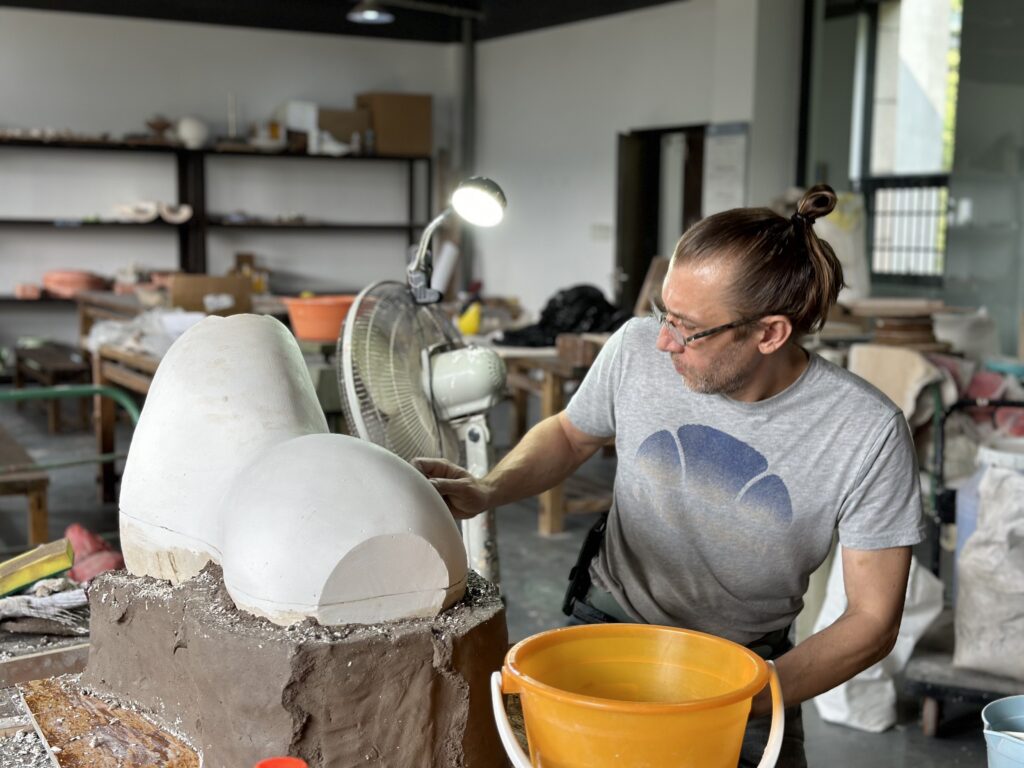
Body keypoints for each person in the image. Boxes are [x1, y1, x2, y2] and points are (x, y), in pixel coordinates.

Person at [413, 184, 923, 767]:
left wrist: (738, 701)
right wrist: (489, 488)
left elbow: (871, 620)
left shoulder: (866, 431)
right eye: (663, 313)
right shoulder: (635, 349)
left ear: (770, 333)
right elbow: (572, 434)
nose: (662, 340)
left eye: (686, 327)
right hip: (608, 630)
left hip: (745, 666)